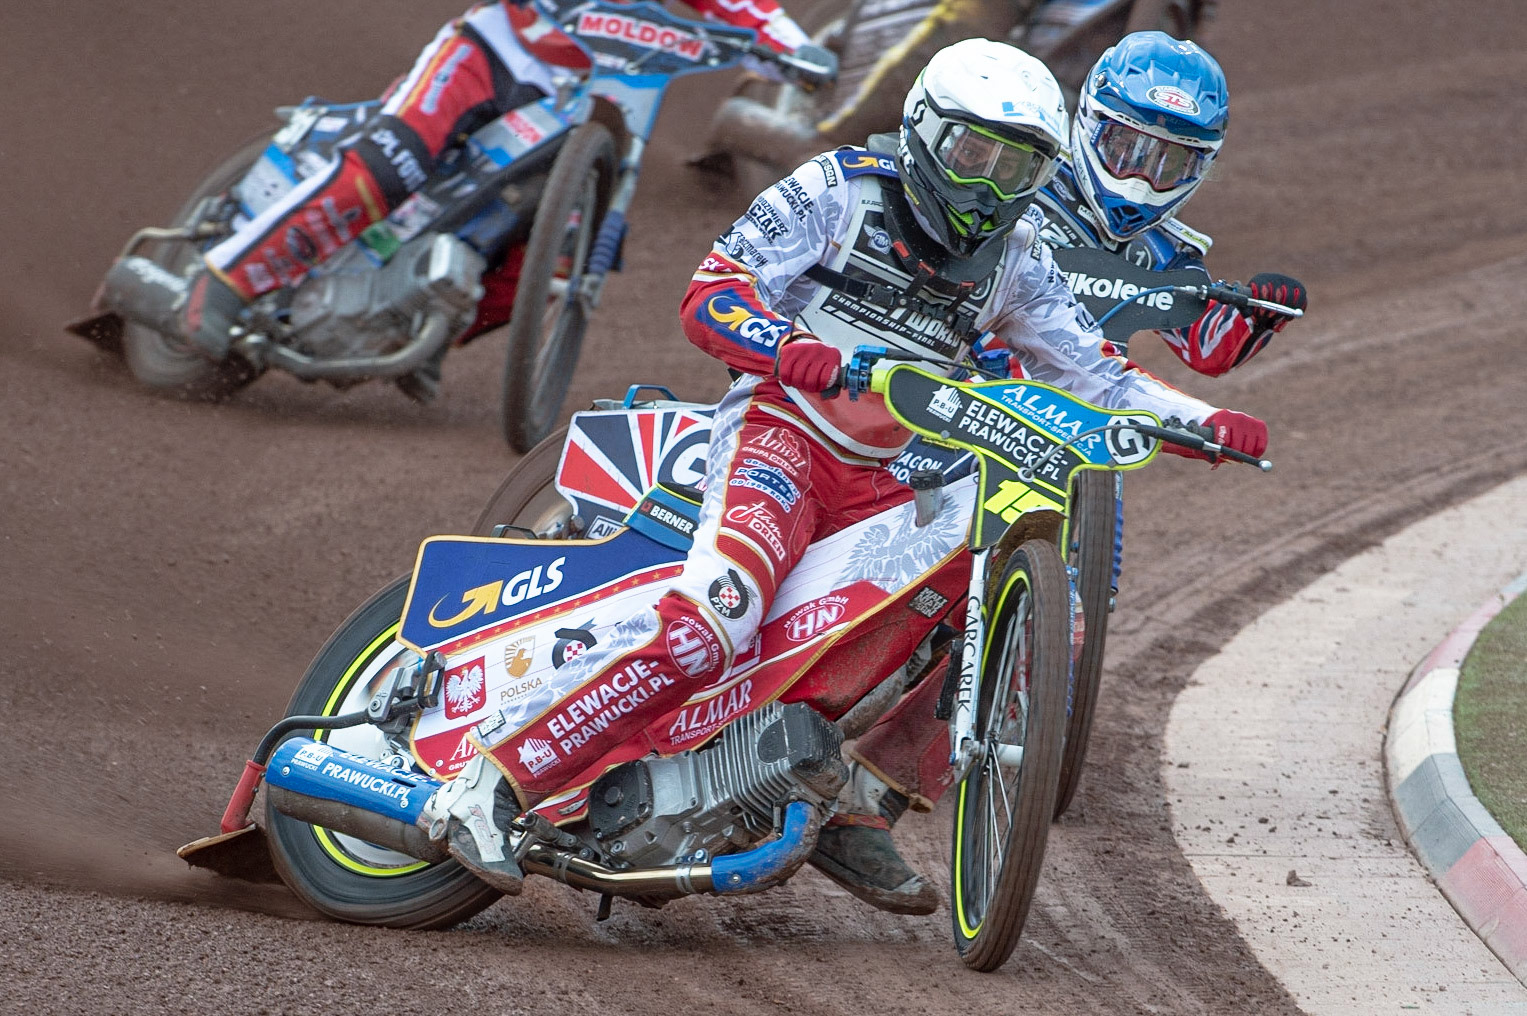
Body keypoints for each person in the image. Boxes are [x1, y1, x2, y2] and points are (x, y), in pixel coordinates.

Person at [422, 37, 1269, 915]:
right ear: (923, 132)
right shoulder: (839, 187)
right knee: (719, 615)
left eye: (1015, 166)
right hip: (782, 432)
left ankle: (839, 794)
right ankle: (489, 781)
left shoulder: (1019, 253)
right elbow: (713, 291)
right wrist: (792, 351)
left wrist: (1208, 423)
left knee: (987, 592)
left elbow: (1101, 375)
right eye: (971, 153)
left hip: (896, 471)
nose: (986, 185)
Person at [175, 0, 821, 382]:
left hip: (576, 97)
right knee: (390, 166)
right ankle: (226, 277)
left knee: (561, 243)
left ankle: (419, 334)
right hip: (490, 52)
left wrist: (793, 47)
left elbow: (741, 7)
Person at [1035, 31, 1307, 375]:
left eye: (1170, 163)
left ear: (1200, 167)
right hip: (970, 387)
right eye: (1125, 148)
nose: (1140, 178)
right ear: (1092, 122)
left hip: (1069, 408)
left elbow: (1208, 348)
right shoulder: (1030, 186)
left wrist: (1259, 314)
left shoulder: (1163, 252)